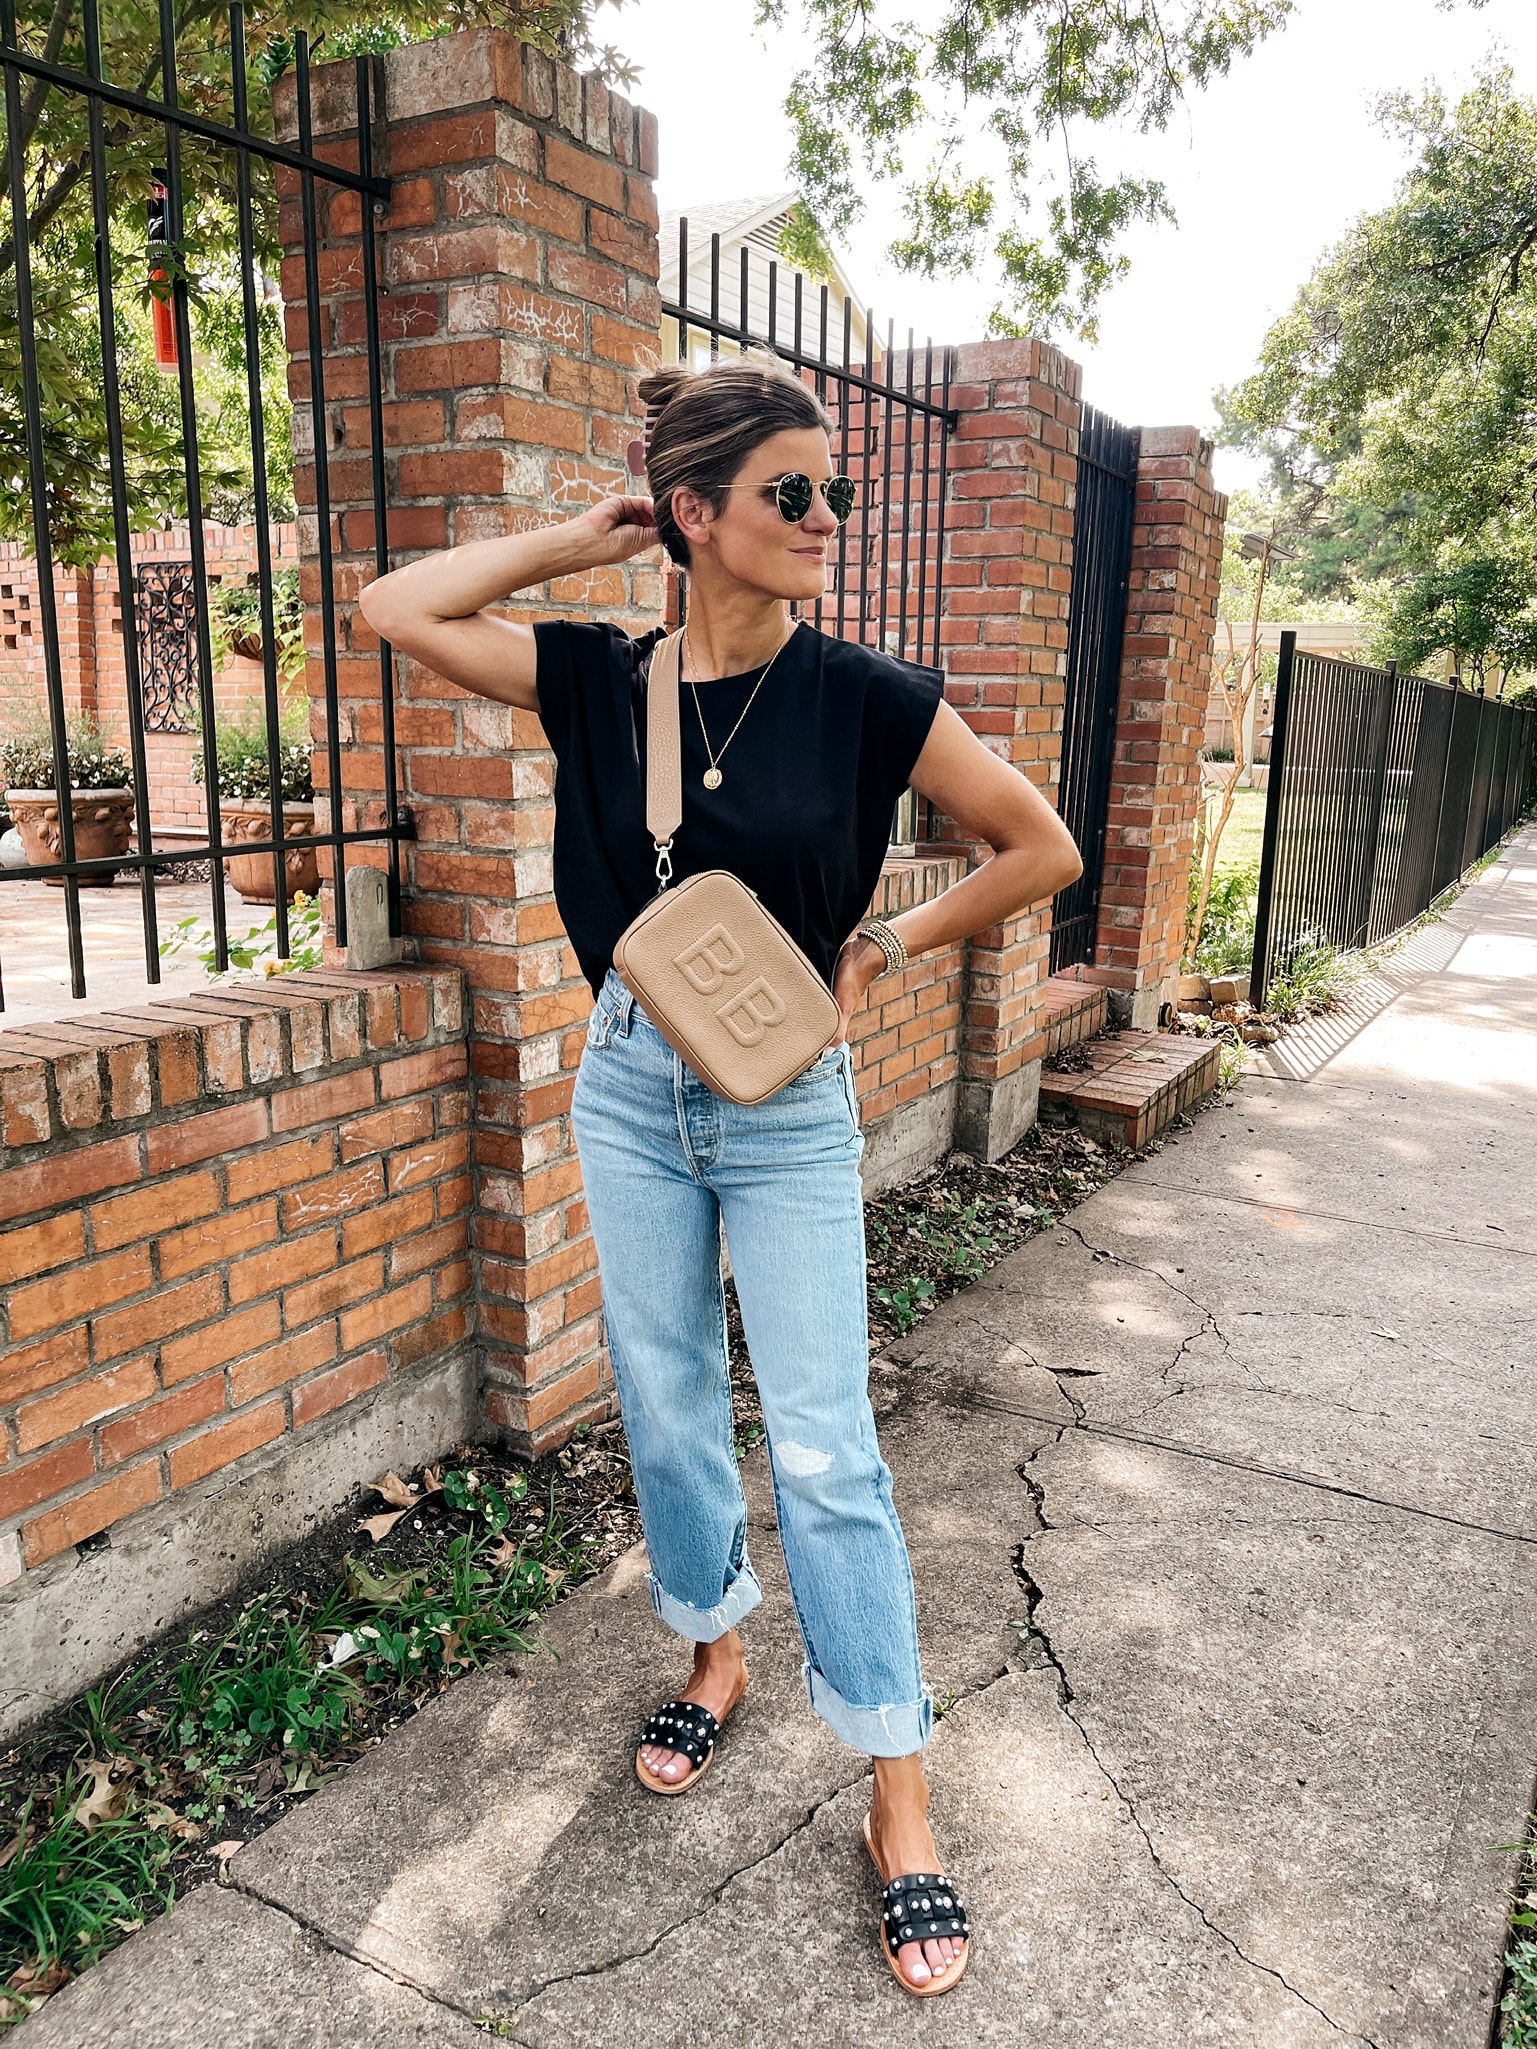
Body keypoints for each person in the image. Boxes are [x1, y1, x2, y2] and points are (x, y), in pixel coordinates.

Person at [360, 353, 1082, 1997]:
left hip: (783, 1101)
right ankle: (716, 1647)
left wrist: (885, 942)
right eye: (792, 494)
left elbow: (1040, 846)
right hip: (628, 1083)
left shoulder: (866, 696)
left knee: (826, 1440)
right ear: (694, 514)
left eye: (834, 491)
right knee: (668, 1394)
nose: (829, 517)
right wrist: (573, 537)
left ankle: (899, 1788)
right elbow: (394, 605)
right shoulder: (591, 676)